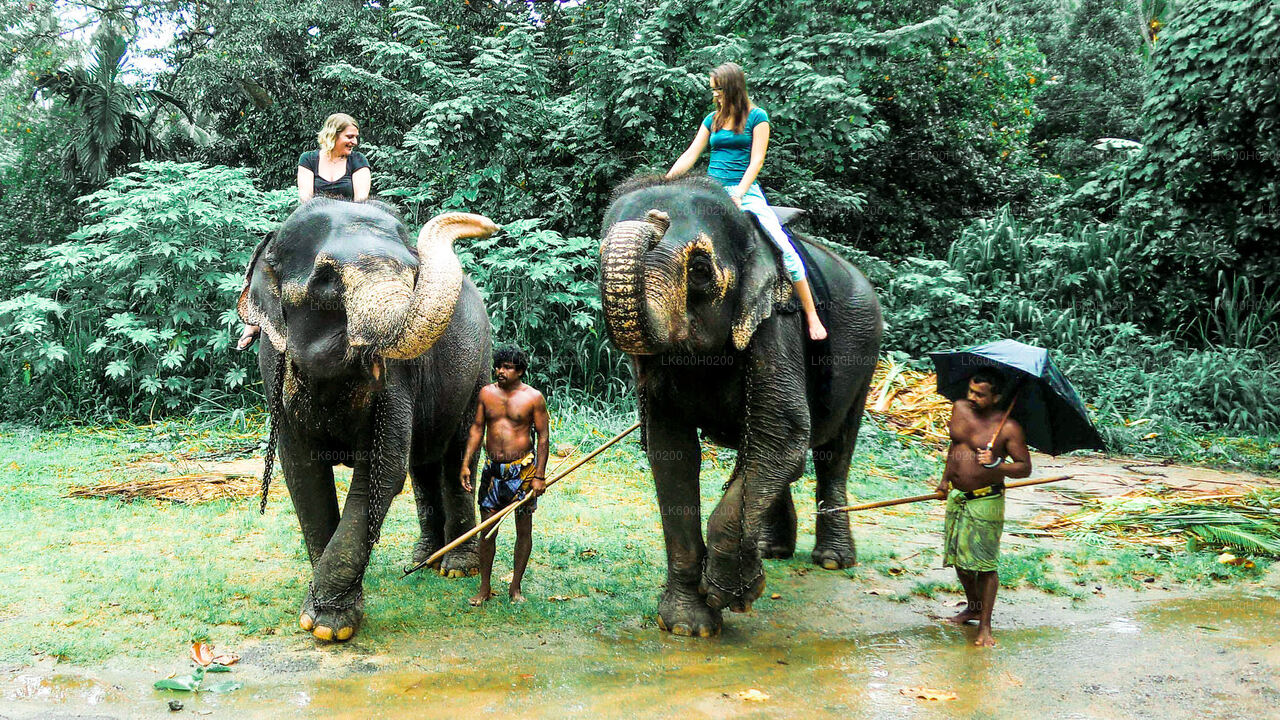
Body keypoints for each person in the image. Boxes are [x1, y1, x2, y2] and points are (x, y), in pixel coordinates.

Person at [665, 61, 828, 341]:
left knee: (784, 249)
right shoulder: (712, 120)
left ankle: (812, 315)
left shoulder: (757, 117)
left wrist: (740, 192)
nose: (714, 95)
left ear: (732, 88)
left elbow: (757, 159)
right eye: (712, 90)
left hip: (745, 192)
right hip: (711, 190)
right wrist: (665, 182)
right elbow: (691, 154)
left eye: (718, 89)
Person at [237, 112, 372, 351]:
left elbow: (361, 200)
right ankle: (255, 320)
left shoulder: (357, 161)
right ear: (334, 134)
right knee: (267, 253)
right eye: (350, 136)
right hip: (315, 226)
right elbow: (306, 198)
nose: (354, 142)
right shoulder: (309, 159)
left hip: (350, 227)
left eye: (356, 137)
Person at [936, 369, 1032, 647]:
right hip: (958, 496)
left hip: (986, 499)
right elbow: (955, 447)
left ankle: (985, 627)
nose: (971, 397)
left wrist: (995, 464)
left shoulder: (1009, 427)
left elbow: (1024, 468)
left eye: (980, 394)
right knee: (960, 560)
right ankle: (973, 606)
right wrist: (945, 481)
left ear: (997, 396)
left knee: (984, 565)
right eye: (970, 391)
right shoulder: (960, 409)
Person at [460, 346, 550, 606]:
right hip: (493, 472)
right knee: (486, 530)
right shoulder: (487, 394)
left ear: (520, 371)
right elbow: (477, 428)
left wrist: (540, 476)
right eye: (499, 366)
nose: (501, 371)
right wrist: (466, 464)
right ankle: (484, 587)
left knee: (523, 529)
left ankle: (515, 587)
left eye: (508, 367)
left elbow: (543, 437)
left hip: (523, 470)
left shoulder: (533, 398)